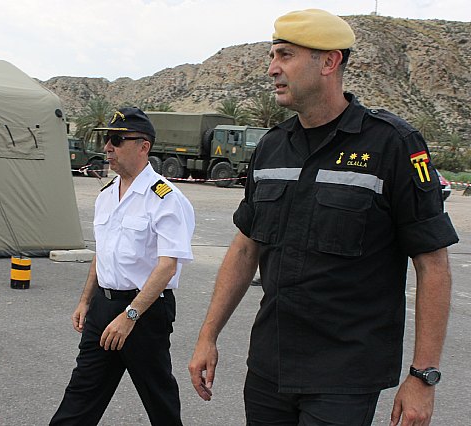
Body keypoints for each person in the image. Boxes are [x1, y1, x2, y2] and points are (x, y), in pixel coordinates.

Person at [188, 9, 458, 426]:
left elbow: (432, 263)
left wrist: (423, 377)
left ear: (329, 62)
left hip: (345, 375)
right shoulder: (272, 147)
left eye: (286, 55)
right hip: (269, 368)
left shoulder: (394, 144)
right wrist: (208, 336)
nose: (273, 68)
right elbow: (245, 248)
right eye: (272, 55)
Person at [50, 107, 195, 426]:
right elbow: (104, 253)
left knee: (160, 401)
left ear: (144, 146)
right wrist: (86, 300)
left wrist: (130, 316)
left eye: (117, 140)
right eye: (106, 140)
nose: (107, 148)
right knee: (80, 397)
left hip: (144, 313)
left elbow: (167, 265)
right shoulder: (106, 196)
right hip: (104, 308)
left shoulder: (165, 198)